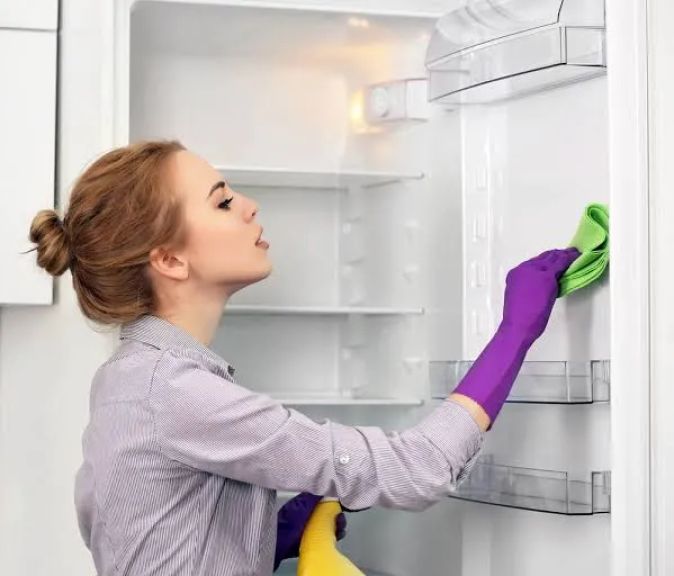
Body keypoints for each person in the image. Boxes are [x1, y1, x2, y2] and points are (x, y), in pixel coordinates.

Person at [29, 140, 578, 576]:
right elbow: (419, 470)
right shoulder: (178, 393)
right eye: (222, 202)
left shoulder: (127, 379)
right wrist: (514, 333)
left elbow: (150, 546)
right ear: (169, 260)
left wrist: (265, 539)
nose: (249, 206)